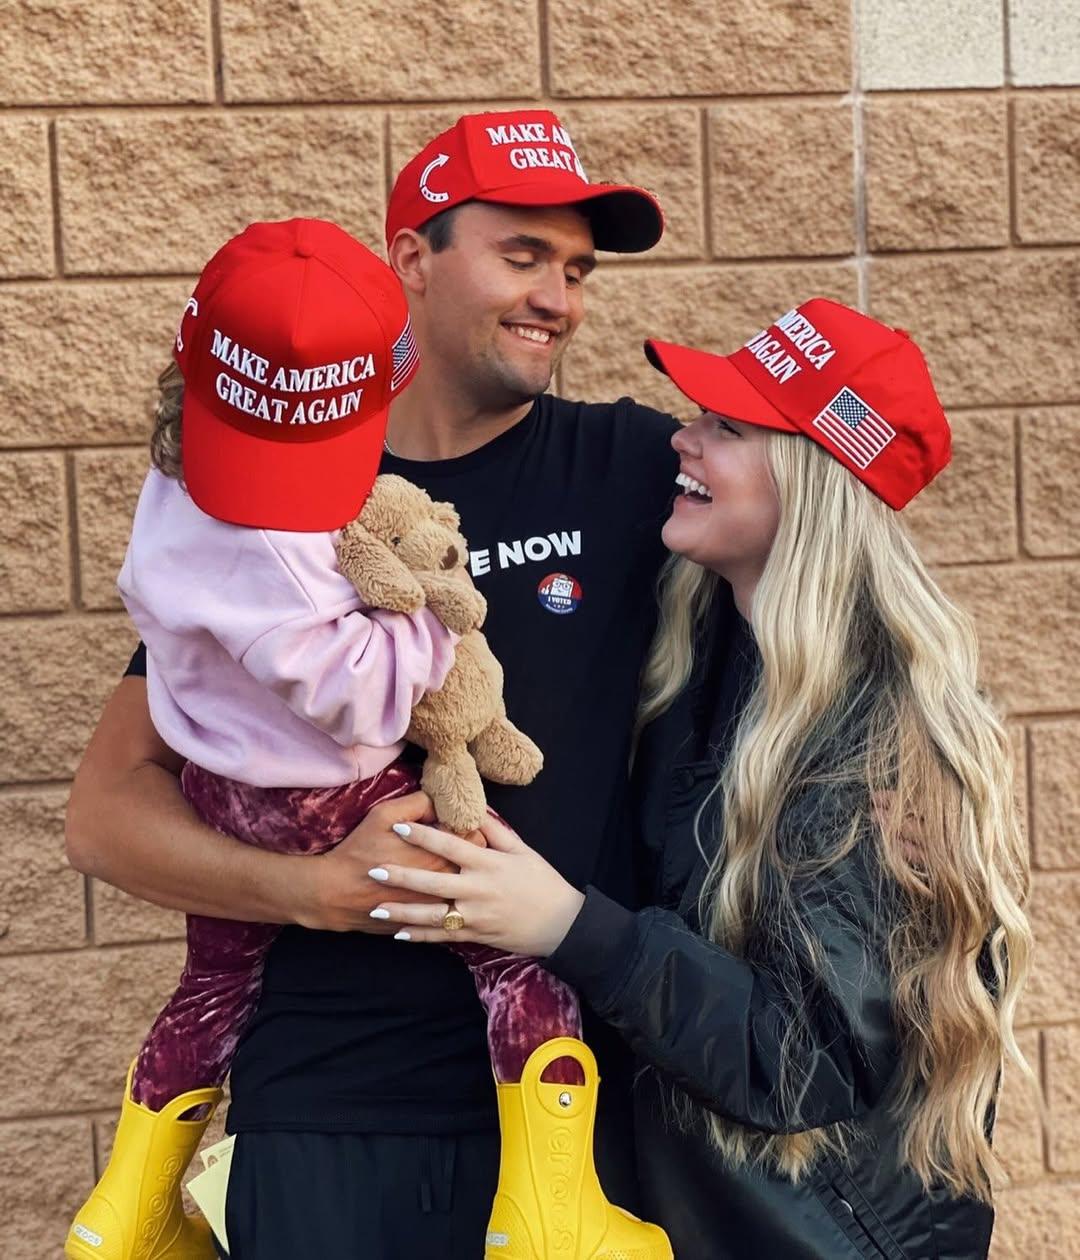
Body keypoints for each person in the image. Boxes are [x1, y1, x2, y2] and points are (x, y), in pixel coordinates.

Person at [65, 110, 680, 1258]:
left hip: (562, 1112)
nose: (561, 296)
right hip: (324, 1112)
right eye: (523, 254)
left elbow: (818, 543)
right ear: (411, 260)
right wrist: (309, 888)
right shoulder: (275, 497)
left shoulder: (632, 468)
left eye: (579, 268)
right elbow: (104, 819)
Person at [367, 298, 1035, 1259]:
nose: (680, 438)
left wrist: (561, 922)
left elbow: (801, 1062)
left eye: (726, 426)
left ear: (812, 481)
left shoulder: (873, 732)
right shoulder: (715, 648)